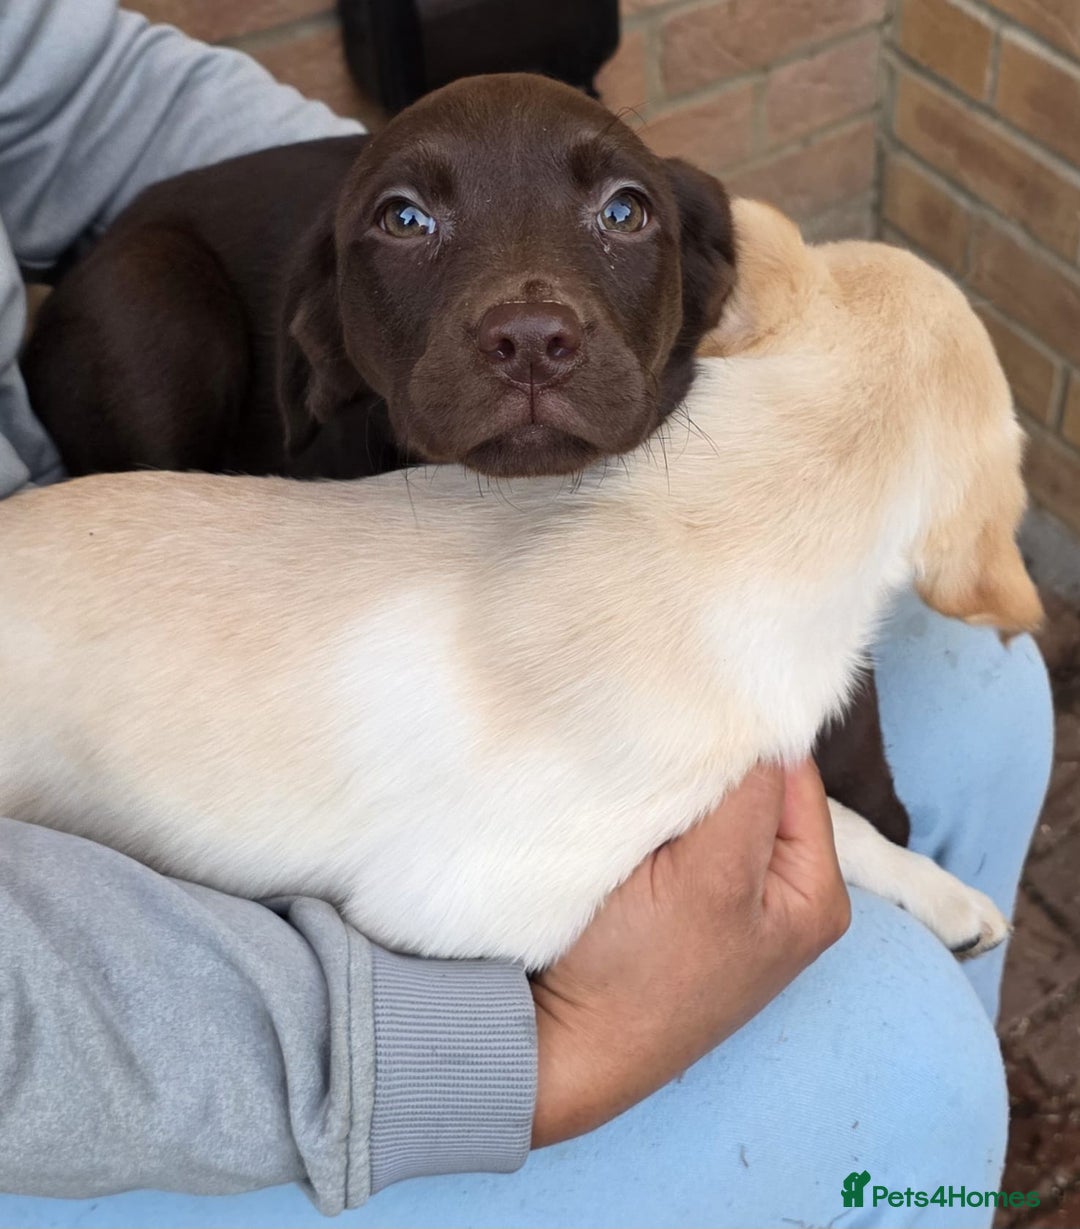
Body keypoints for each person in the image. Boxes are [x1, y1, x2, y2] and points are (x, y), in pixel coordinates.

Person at [0, 3, 1054, 1226]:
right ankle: (925, 1151)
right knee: (898, 1052)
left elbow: (76, 82)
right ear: (322, 343)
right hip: (79, 881)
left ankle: (963, 1096)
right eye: (406, 223)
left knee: (984, 689)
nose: (533, 318)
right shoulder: (308, 385)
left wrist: (410, 184)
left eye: (621, 214)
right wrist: (501, 1056)